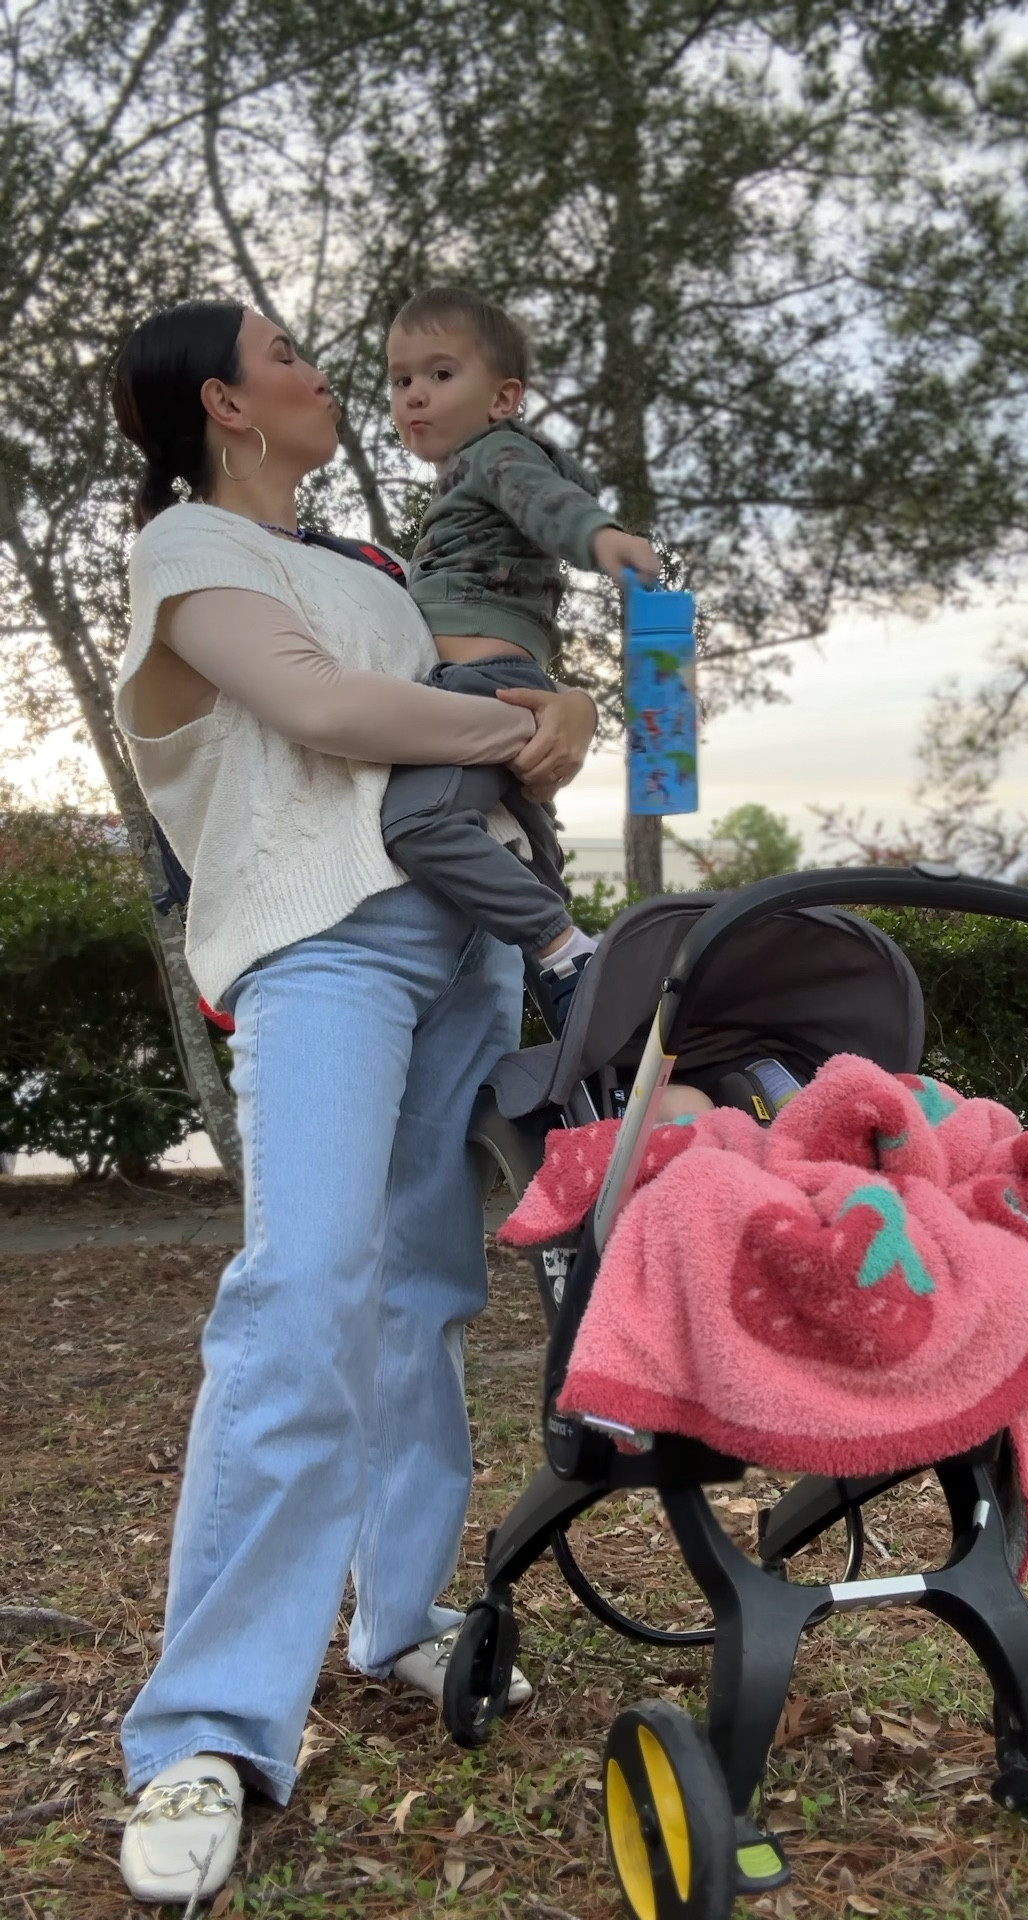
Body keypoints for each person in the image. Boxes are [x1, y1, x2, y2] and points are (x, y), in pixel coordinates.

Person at [108, 298, 598, 1906]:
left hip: (466, 948)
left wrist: (560, 716)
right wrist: (523, 726)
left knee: (422, 1299)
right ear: (223, 406)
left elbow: (489, 721)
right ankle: (206, 1728)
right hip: (324, 946)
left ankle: (396, 1625)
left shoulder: (381, 568)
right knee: (303, 1291)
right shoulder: (190, 552)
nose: (331, 380)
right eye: (296, 360)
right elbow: (326, 716)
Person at [383, 285, 661, 1030]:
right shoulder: (471, 471)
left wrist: (605, 542)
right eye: (401, 379)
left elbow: (546, 501)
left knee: (416, 827)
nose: (414, 396)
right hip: (497, 687)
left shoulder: (496, 454)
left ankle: (566, 950)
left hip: (481, 689)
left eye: (441, 375)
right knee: (537, 867)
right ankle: (599, 1025)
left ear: (504, 398)